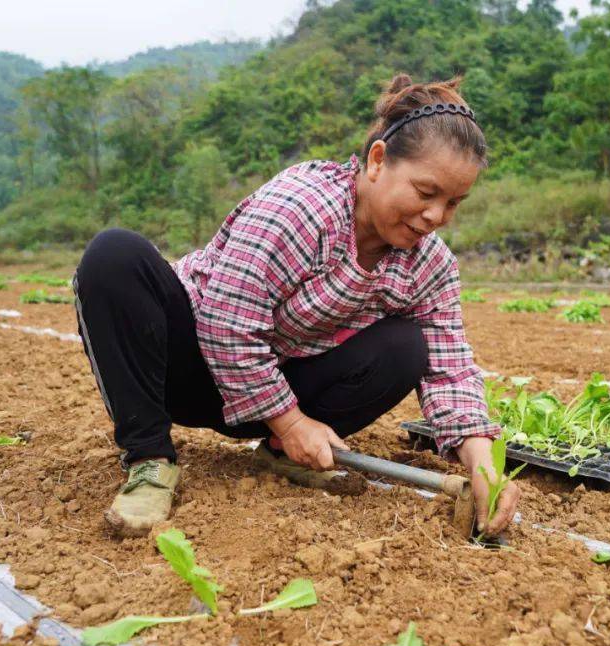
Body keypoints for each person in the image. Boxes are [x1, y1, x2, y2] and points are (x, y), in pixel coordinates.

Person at [73, 73, 521, 538]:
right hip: (187, 364)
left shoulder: (429, 264)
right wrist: (291, 422)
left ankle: (284, 452)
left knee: (407, 346)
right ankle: (149, 460)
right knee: (113, 255)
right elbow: (226, 321)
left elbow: (450, 368)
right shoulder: (303, 208)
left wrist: (483, 466)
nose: (435, 217)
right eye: (426, 193)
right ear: (377, 161)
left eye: (453, 203)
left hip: (270, 389)